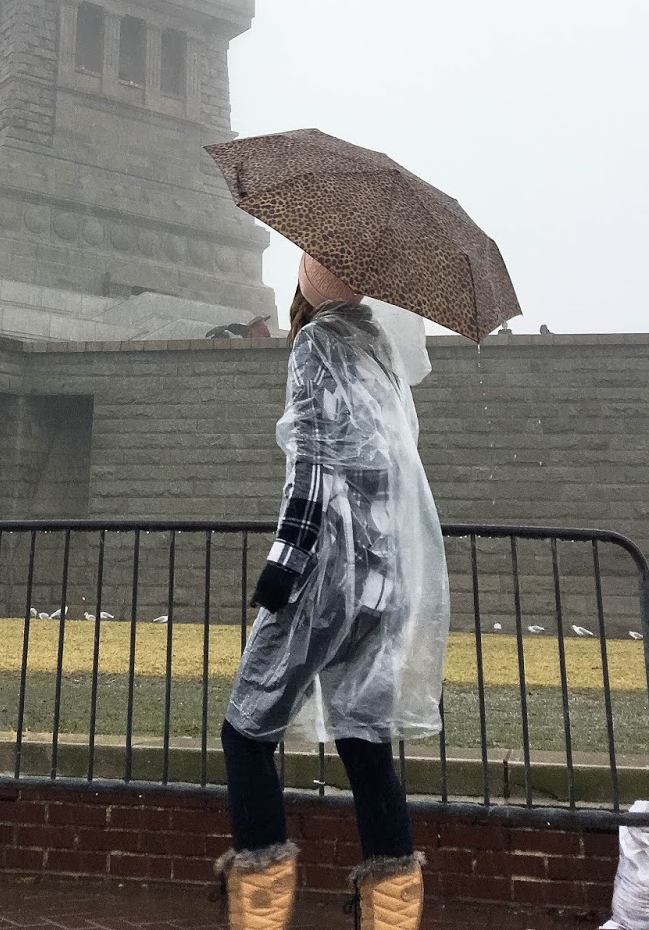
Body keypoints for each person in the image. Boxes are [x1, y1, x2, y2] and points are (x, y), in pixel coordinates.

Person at [215, 256, 451, 930]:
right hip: (384, 578)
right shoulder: (378, 349)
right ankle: (392, 915)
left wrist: (282, 565)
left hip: (325, 576)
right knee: (364, 743)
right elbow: (391, 467)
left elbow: (314, 467)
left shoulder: (316, 344)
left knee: (246, 731)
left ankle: (260, 912)